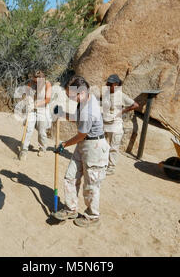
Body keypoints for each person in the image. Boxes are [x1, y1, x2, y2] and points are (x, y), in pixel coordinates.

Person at [53, 76, 110, 227]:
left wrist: (64, 144)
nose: (68, 97)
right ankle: (71, 208)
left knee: (91, 185)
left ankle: (92, 216)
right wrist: (63, 114)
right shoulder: (84, 101)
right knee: (70, 177)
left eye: (69, 95)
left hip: (94, 148)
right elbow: (77, 119)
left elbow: (81, 135)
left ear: (80, 93)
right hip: (84, 144)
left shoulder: (89, 110)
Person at [102, 74, 139, 176]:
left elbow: (135, 105)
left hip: (115, 126)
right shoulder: (106, 93)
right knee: (103, 145)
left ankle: (111, 167)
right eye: (108, 83)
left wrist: (123, 111)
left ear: (117, 84)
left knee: (113, 147)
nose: (108, 85)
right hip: (105, 124)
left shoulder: (121, 95)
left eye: (111, 84)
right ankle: (102, 164)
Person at [19, 70, 52, 161]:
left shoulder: (47, 84)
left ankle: (42, 148)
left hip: (42, 109)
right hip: (31, 109)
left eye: (38, 81)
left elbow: (47, 99)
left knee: (41, 131)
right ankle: (24, 150)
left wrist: (36, 104)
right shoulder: (31, 82)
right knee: (28, 129)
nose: (36, 83)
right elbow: (25, 94)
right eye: (35, 80)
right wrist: (27, 101)